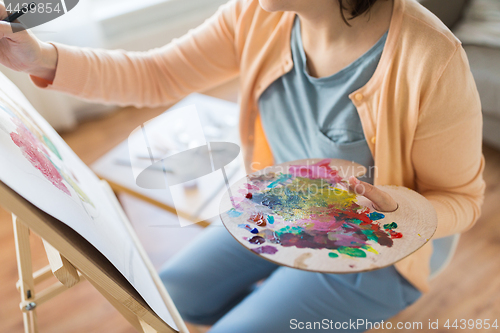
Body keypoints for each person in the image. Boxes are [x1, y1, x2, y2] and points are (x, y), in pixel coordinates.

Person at [0, 0, 485, 332]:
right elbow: (158, 74)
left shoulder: (431, 59)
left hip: (381, 254)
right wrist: (37, 57)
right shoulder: (258, 11)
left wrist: (395, 206)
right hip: (284, 209)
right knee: (168, 300)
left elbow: (463, 202)